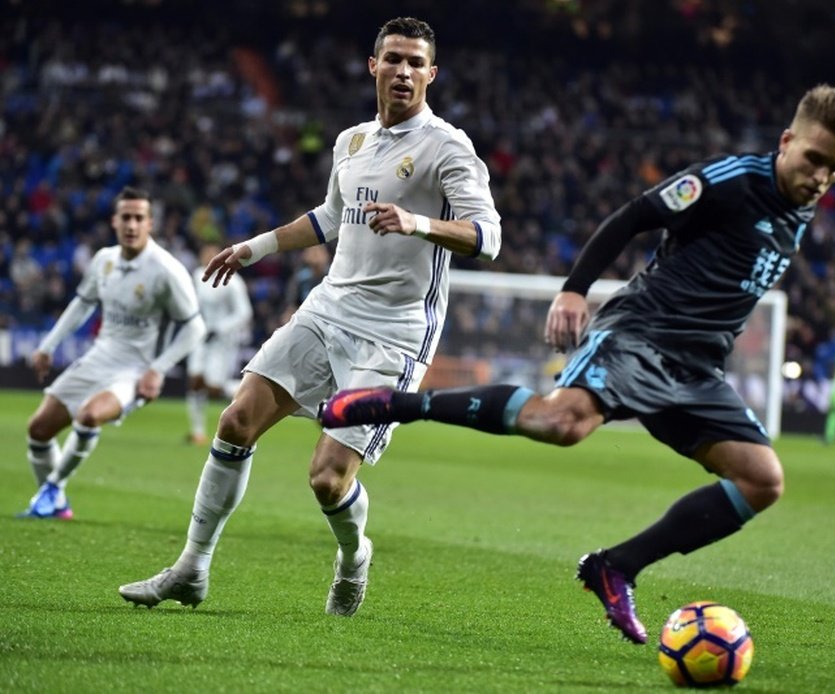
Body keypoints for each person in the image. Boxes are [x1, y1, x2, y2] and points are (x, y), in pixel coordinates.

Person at [318, 84, 835, 644]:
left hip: (697, 368)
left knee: (762, 479)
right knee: (562, 424)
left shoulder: (799, 211)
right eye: (814, 159)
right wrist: (575, 291)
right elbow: (636, 215)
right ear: (786, 141)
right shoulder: (731, 180)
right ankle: (396, 404)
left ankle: (616, 567)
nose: (823, 177)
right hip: (642, 332)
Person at [119, 17, 502, 617]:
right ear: (373, 66)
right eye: (393, 59)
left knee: (327, 479)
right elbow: (328, 216)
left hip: (394, 333)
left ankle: (354, 559)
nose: (403, 71)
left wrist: (418, 222)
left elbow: (489, 236)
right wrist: (257, 247)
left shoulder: (447, 147)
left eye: (415, 63)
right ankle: (190, 569)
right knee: (236, 421)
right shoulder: (350, 141)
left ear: (432, 73)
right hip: (327, 309)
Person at [19, 186, 206, 519]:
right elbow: (82, 303)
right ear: (114, 222)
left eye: (139, 218)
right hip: (98, 356)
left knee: (89, 416)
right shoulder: (103, 260)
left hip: (134, 369)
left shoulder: (166, 270)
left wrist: (157, 369)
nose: (132, 225)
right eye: (126, 218)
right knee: (39, 429)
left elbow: (194, 328)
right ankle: (57, 503)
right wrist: (48, 346)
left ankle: (50, 489)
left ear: (150, 224)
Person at [185, 242, 254, 445]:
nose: (207, 255)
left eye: (211, 252)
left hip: (223, 343)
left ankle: (251, 390)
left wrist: (221, 328)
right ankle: (197, 432)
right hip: (201, 338)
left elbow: (244, 312)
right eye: (204, 251)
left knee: (215, 389)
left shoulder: (233, 281)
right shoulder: (198, 276)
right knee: (195, 382)